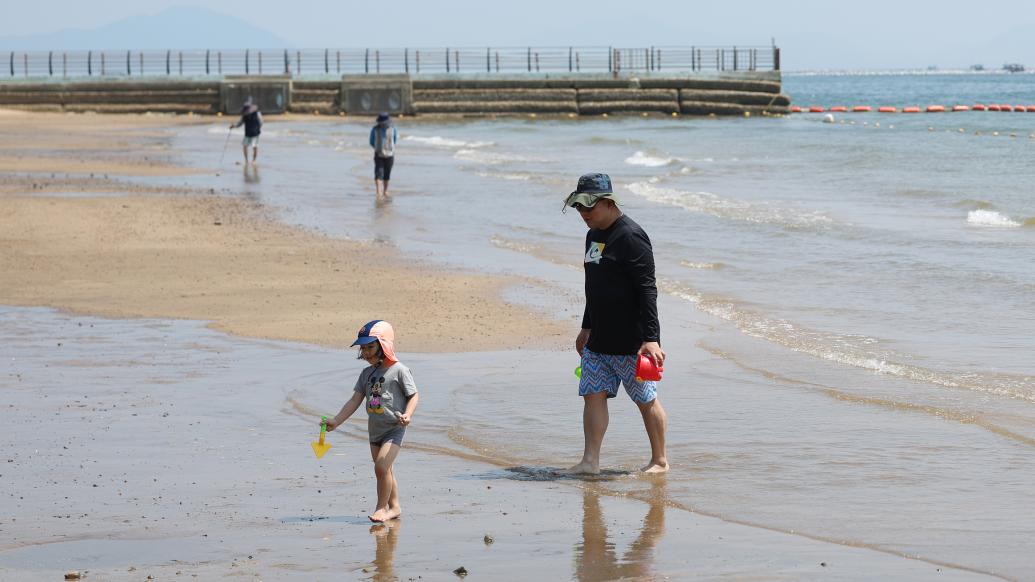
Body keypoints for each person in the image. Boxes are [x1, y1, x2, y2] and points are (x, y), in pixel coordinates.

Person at [562, 172, 669, 474]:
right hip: (599, 339)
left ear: (608, 202)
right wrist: (586, 326)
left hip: (631, 342)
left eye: (588, 207)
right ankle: (590, 461)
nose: (583, 214)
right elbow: (593, 286)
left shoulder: (631, 237)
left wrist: (651, 339)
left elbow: (647, 289)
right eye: (579, 208)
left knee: (646, 400)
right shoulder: (593, 234)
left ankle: (660, 460)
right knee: (592, 396)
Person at [325, 320, 419, 522]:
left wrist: (408, 414)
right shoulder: (366, 374)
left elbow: (414, 395)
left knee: (381, 468)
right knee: (386, 469)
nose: (365, 352)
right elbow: (355, 400)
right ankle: (395, 507)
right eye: (363, 348)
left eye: (370, 347)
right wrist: (336, 421)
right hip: (375, 430)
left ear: (384, 345)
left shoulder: (400, 370)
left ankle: (381, 508)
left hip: (394, 429)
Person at [368, 112, 397, 201]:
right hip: (382, 154)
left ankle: (383, 191)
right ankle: (380, 192)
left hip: (387, 154)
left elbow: (394, 140)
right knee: (380, 173)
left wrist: (380, 148)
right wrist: (379, 148)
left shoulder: (392, 129)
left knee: (385, 173)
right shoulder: (376, 129)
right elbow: (371, 141)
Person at [230, 97, 262, 165]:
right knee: (245, 146)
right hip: (248, 133)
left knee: (254, 146)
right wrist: (234, 126)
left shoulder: (257, 113)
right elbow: (240, 123)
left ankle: (254, 160)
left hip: (255, 133)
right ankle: (246, 160)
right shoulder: (244, 115)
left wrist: (258, 128)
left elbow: (261, 122)